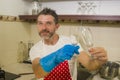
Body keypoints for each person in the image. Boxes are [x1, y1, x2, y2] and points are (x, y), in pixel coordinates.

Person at [29, 8, 108, 80]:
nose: (43, 28)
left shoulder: (71, 41)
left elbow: (90, 65)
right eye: (40, 23)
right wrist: (55, 58)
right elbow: (38, 73)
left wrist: (98, 61)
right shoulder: (35, 49)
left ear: (57, 26)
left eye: (48, 23)